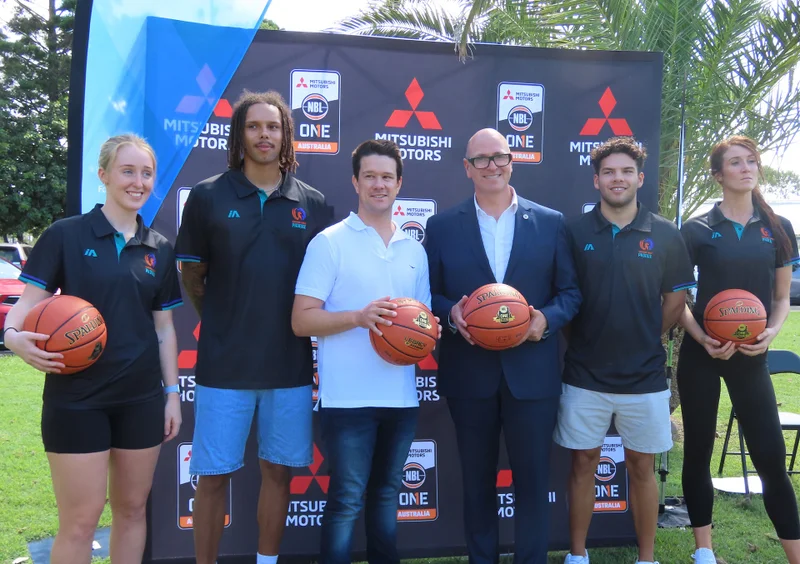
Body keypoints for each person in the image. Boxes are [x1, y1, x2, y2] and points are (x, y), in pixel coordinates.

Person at [3, 134, 183, 564]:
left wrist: (172, 394)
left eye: (146, 173)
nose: (138, 181)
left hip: (139, 399)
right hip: (76, 398)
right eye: (127, 171)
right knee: (81, 521)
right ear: (103, 175)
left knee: (132, 510)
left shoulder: (159, 247)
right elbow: (25, 307)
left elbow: (164, 330)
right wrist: (13, 338)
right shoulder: (65, 235)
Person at [175, 90, 330, 564]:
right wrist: (228, 322)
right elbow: (193, 278)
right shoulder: (206, 197)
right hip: (225, 364)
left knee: (279, 474)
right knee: (213, 476)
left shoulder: (314, 203)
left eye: (274, 126)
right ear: (239, 133)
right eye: (254, 126)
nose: (265, 134)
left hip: (289, 365)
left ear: (286, 135)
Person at [425, 128, 581, 564]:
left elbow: (570, 293)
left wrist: (545, 320)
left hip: (531, 375)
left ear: (513, 161)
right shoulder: (440, 227)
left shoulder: (550, 222)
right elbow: (427, 293)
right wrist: (450, 313)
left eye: (500, 156)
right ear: (466, 168)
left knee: (532, 482)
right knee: (476, 483)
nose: (492, 165)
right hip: (468, 373)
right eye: (481, 159)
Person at [292, 139, 440, 564]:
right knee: (345, 503)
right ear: (355, 181)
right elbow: (302, 320)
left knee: (386, 501)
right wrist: (359, 318)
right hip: (347, 400)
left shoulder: (414, 250)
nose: (379, 185)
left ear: (399, 184)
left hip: (401, 398)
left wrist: (429, 332)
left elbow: (422, 319)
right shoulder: (330, 242)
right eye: (370, 176)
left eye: (387, 177)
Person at [554, 137, 695, 564]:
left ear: (640, 178)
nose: (618, 179)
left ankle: (647, 558)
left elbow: (676, 301)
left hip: (645, 374)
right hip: (584, 372)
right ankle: (577, 555)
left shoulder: (666, 233)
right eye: (609, 172)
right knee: (583, 463)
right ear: (597, 179)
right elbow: (565, 296)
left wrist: (645, 336)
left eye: (626, 171)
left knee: (641, 466)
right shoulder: (574, 231)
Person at [678, 135, 800, 564]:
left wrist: (772, 331)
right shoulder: (696, 229)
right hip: (702, 356)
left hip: (752, 357)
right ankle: (704, 553)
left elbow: (782, 297)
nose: (747, 168)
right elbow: (676, 300)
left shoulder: (779, 227)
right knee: (698, 452)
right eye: (735, 162)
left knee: (770, 455)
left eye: (752, 161)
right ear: (718, 174)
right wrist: (700, 336)